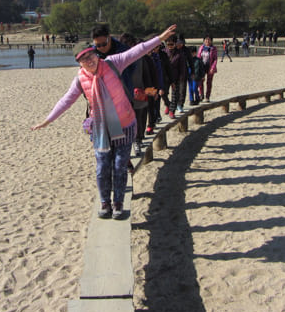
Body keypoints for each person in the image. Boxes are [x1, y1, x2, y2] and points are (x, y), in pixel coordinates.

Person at [31, 24, 177, 220]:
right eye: (83, 59)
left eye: (90, 56)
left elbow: (137, 51)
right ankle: (104, 202)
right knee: (102, 168)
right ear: (79, 63)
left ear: (95, 53)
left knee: (118, 166)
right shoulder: (80, 79)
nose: (89, 61)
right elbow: (66, 100)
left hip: (124, 125)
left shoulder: (113, 63)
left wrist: (160, 38)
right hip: (101, 130)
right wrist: (47, 120)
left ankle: (117, 203)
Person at [91, 24, 136, 96]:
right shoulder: (91, 54)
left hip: (123, 93)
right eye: (98, 45)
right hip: (102, 95)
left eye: (104, 44)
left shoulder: (124, 51)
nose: (102, 47)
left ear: (109, 37)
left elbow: (133, 67)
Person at [197, 36, 218, 102]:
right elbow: (198, 57)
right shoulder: (201, 47)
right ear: (204, 40)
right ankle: (201, 95)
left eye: (209, 40)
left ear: (211, 41)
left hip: (210, 67)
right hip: (202, 67)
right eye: (206, 40)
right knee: (200, 81)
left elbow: (215, 59)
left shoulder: (213, 48)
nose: (207, 41)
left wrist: (213, 67)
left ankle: (207, 96)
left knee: (209, 82)